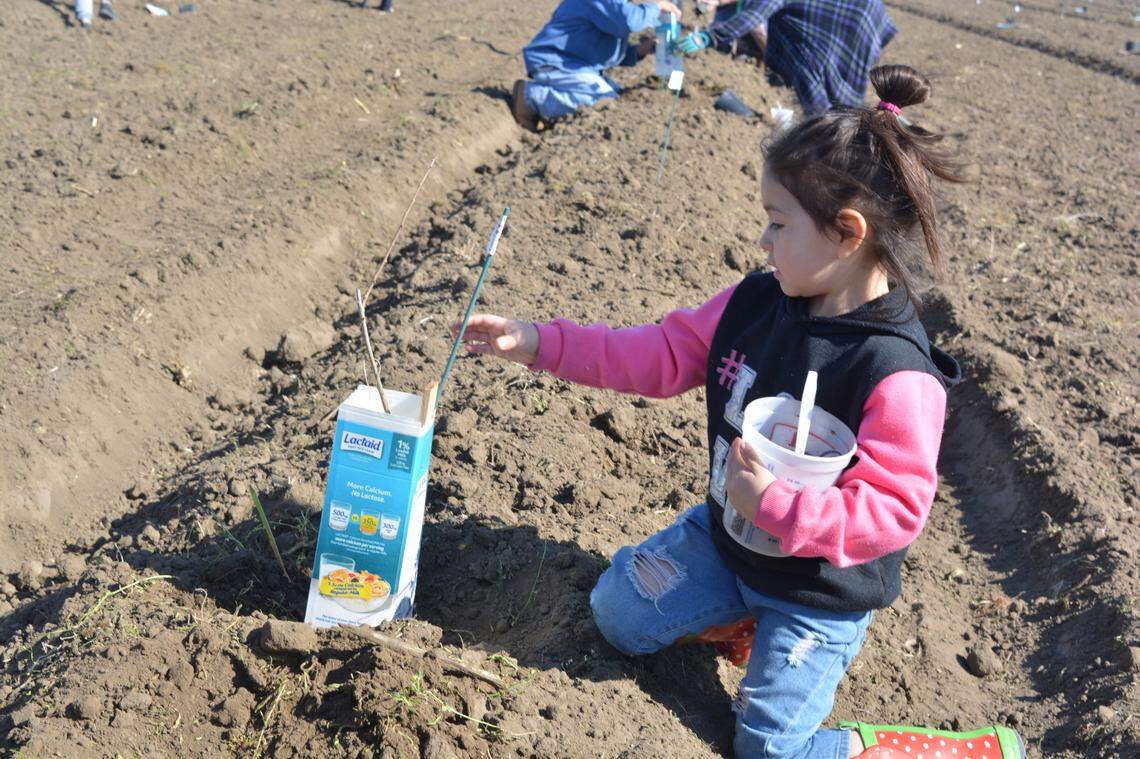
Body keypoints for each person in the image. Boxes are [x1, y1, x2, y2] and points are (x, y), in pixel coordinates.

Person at [459, 65, 1026, 758]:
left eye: (778, 223)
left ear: (847, 233)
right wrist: (540, 342)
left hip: (817, 594)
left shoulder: (897, 373)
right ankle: (735, 619)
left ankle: (942, 750)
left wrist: (782, 509)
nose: (763, 241)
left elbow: (892, 511)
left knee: (768, 751)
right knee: (615, 615)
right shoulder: (755, 304)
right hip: (727, 542)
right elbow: (659, 354)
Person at [678, 0, 897, 116]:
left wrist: (710, 37)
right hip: (863, 24)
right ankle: (856, 127)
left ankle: (828, 139)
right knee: (846, 97)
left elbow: (754, 15)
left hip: (834, 31)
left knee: (814, 80)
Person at [512, 0, 683, 129]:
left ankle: (551, 106)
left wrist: (639, 51)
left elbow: (604, 48)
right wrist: (657, 7)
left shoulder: (616, 5)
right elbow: (630, 21)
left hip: (576, 65)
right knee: (601, 101)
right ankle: (531, 97)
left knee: (617, 96)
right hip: (554, 62)